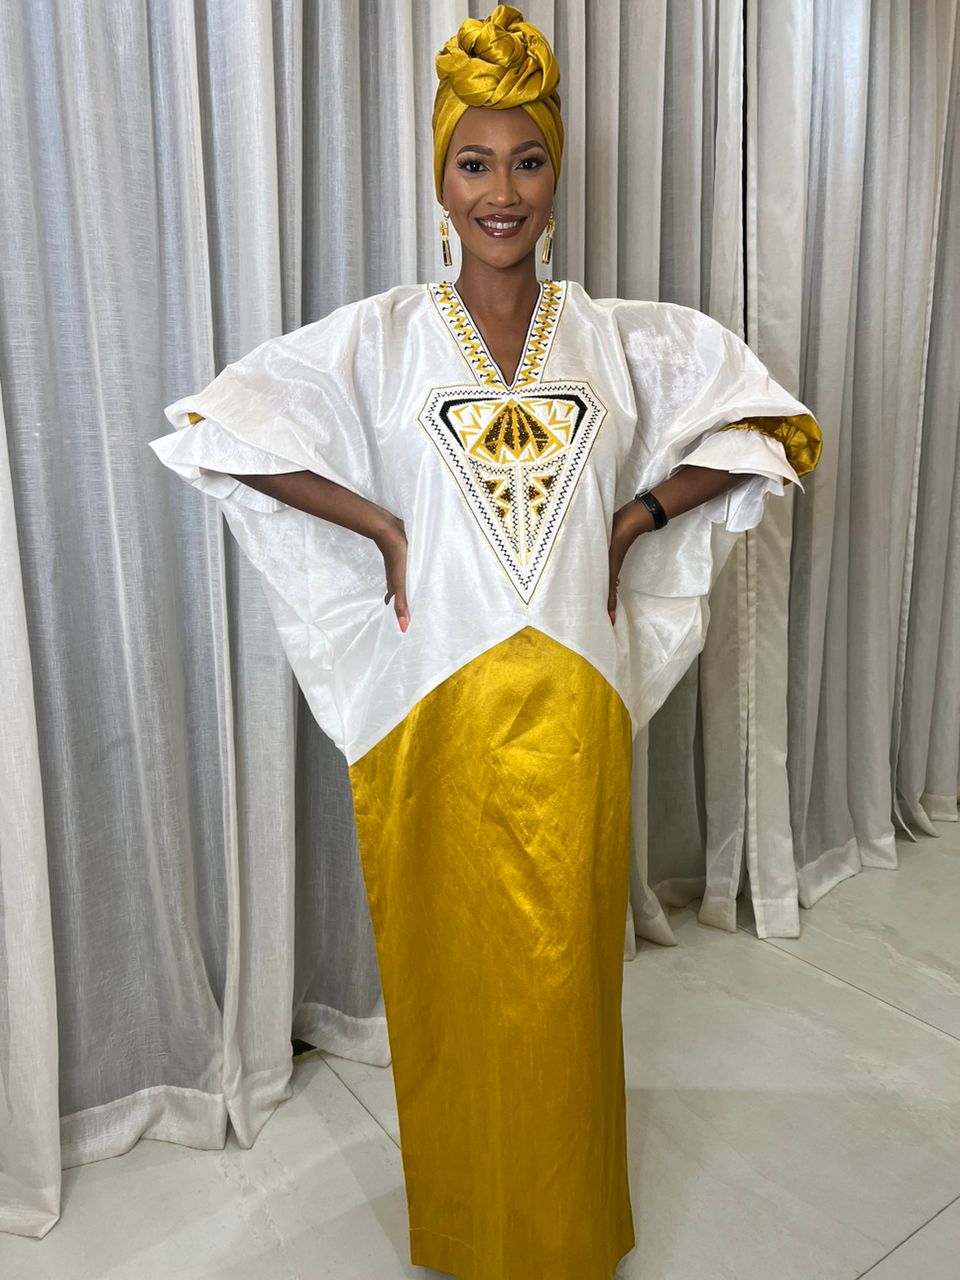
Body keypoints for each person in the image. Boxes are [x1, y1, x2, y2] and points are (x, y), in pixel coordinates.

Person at [150, 7, 822, 1277]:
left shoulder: (614, 338)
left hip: (571, 715)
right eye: (474, 162)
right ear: (439, 177)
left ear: (556, 173)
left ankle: (565, 1234)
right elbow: (225, 426)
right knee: (451, 982)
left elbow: (764, 426)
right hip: (439, 715)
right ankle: (467, 1229)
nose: (500, 191)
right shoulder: (385, 336)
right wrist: (381, 526)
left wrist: (632, 518)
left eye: (526, 160)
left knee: (564, 987)